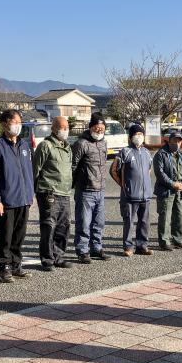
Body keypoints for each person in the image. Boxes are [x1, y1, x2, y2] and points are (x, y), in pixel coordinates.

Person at [0, 109, 34, 283]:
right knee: (5, 236)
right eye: (15, 122)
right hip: (6, 201)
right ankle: (4, 267)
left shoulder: (24, 146)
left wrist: (30, 194)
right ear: (5, 124)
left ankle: (16, 265)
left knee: (19, 235)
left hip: (24, 199)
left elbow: (29, 172)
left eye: (20, 122)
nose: (18, 125)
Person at [33, 116, 73, 271]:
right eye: (62, 127)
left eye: (67, 127)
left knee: (64, 226)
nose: (65, 130)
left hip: (65, 193)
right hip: (49, 192)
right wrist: (35, 192)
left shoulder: (67, 147)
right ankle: (47, 259)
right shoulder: (45, 146)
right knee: (49, 226)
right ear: (54, 128)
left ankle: (58, 256)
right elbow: (35, 170)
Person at [72, 113, 110, 263]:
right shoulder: (81, 143)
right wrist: (75, 185)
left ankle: (96, 248)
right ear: (90, 127)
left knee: (98, 222)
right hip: (85, 190)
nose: (99, 131)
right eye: (96, 128)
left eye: (102, 128)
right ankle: (82, 250)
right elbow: (73, 166)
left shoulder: (104, 143)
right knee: (84, 222)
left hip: (100, 189)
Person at [110, 124, 153, 257]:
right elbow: (113, 171)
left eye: (141, 134)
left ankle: (142, 245)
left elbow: (148, 170)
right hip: (129, 196)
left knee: (144, 222)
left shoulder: (147, 152)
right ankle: (128, 247)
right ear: (130, 137)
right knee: (129, 222)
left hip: (145, 196)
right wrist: (124, 186)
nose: (139, 137)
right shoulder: (124, 152)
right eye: (136, 134)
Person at [153, 132, 182, 251]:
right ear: (169, 141)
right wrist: (173, 184)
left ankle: (178, 239)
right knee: (165, 217)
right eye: (174, 141)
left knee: (180, 216)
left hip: (180, 190)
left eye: (179, 141)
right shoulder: (160, 154)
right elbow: (160, 173)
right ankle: (164, 241)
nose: (177, 143)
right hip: (166, 190)